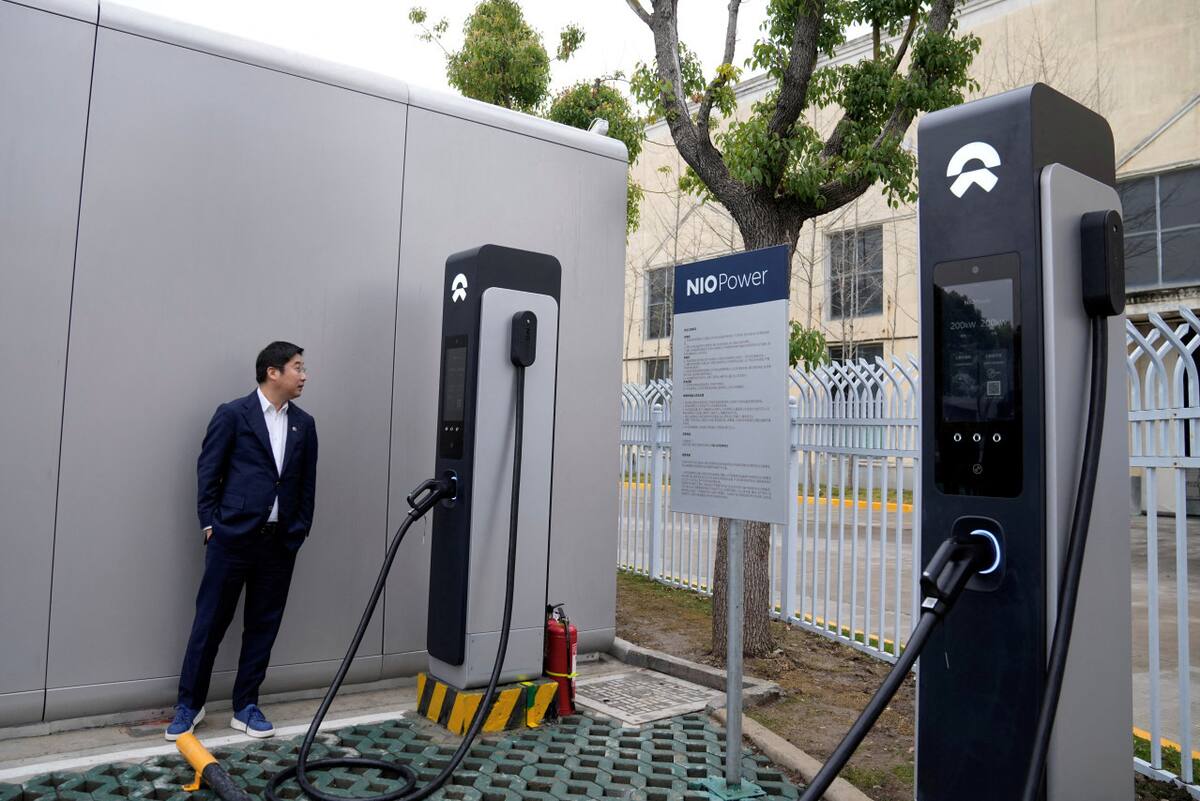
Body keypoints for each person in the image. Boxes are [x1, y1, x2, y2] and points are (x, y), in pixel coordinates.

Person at [166, 342, 318, 740]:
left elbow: (305, 485)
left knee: (262, 626)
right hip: (231, 539)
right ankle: (189, 706)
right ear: (273, 372)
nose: (304, 376)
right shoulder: (233, 415)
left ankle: (246, 706)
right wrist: (209, 524)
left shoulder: (305, 424)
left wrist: (299, 528)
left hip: (278, 544)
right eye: (297, 368)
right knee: (210, 622)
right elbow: (208, 470)